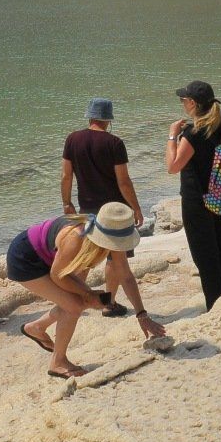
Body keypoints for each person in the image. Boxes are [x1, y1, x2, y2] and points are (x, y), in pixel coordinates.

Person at [7, 203, 166, 379]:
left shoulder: (112, 232)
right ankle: (57, 362)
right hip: (26, 260)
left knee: (74, 301)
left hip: (52, 258)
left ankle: (37, 327)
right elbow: (57, 275)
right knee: (74, 305)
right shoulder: (75, 238)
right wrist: (88, 294)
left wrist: (142, 314)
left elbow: (125, 276)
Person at [166, 80, 221, 311]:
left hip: (197, 200)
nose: (182, 103)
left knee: (205, 256)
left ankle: (215, 308)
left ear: (192, 103)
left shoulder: (193, 133)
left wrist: (172, 136)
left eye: (183, 100)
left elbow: (173, 166)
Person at [61, 98, 146, 316]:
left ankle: (74, 301)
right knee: (115, 257)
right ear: (108, 119)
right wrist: (136, 208)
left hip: (86, 208)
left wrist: (66, 202)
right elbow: (124, 182)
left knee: (85, 259)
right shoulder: (114, 143)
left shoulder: (72, 139)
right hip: (114, 211)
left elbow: (65, 176)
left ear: (89, 116)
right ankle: (109, 303)